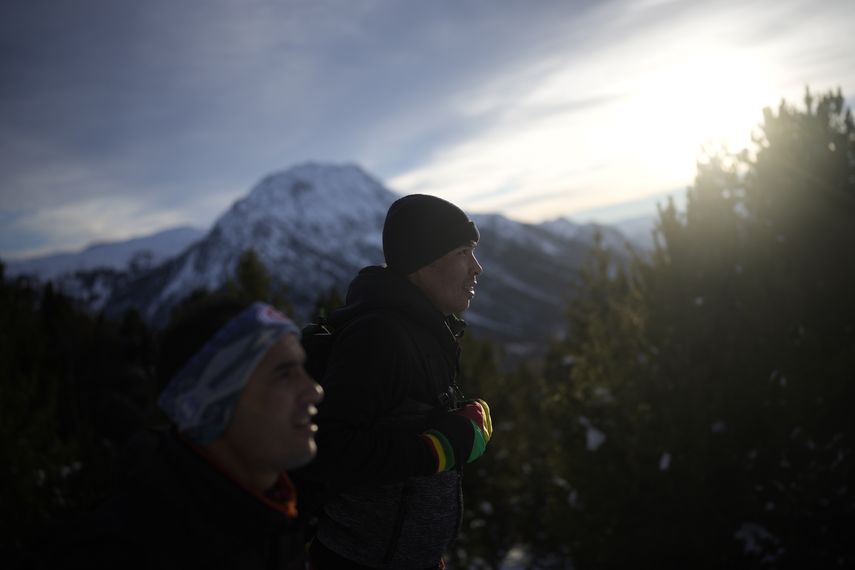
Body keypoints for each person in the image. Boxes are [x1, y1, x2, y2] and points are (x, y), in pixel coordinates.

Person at [52, 298, 324, 569]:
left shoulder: (274, 515)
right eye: (284, 374)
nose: (314, 390)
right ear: (211, 406)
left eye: (302, 368)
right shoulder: (124, 552)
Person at [302, 194, 493, 570]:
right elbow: (330, 448)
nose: (477, 268)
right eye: (462, 252)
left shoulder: (421, 328)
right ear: (423, 261)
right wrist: (445, 446)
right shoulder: (380, 337)